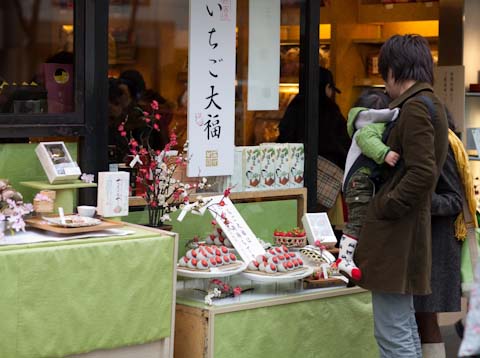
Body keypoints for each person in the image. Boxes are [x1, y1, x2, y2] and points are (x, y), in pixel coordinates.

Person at [354, 34, 449, 358]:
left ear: (393, 70)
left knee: (392, 333)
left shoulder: (414, 109)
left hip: (397, 235)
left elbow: (422, 172)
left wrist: (385, 205)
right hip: (406, 233)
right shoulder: (428, 104)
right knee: (402, 328)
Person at [413, 112, 464, 358]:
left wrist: (422, 200)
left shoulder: (444, 147)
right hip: (429, 243)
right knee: (421, 317)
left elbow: (455, 199)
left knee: (425, 318)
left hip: (437, 245)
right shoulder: (436, 145)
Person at [338, 89, 400, 281]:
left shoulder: (366, 123)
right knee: (358, 219)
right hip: (361, 182)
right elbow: (366, 140)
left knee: (362, 219)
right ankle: (344, 258)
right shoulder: (372, 125)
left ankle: (351, 257)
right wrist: (385, 153)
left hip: (360, 182)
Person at [278, 66, 350, 169]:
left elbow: (284, 133)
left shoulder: (295, 104)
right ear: (327, 87)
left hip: (293, 167)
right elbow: (344, 143)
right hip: (325, 171)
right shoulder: (330, 109)